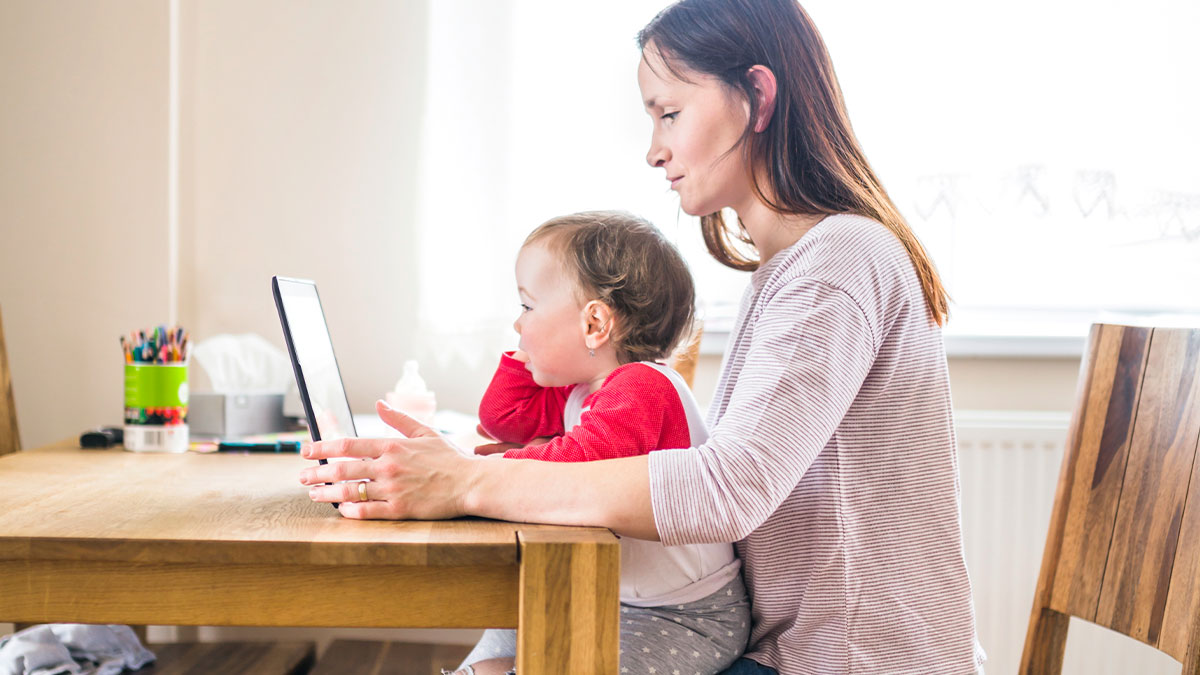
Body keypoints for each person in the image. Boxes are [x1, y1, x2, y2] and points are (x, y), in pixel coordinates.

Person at [299, 0, 984, 672]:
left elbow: (727, 488)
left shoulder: (840, 261)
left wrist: (470, 481)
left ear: (757, 97)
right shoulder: (785, 275)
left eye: (669, 112)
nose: (654, 149)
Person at [454, 211, 750, 675]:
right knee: (488, 651)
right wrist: (521, 356)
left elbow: (575, 465)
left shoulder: (643, 386)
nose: (517, 324)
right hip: (608, 592)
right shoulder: (582, 391)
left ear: (595, 324)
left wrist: (474, 476)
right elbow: (502, 420)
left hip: (680, 617)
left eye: (527, 308)